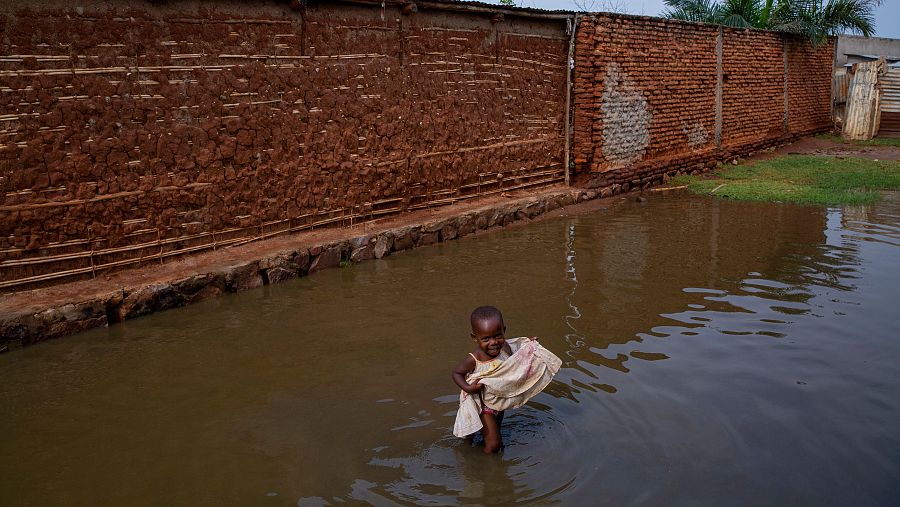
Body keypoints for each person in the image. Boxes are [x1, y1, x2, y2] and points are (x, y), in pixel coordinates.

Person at [451, 305, 514, 453]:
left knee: (496, 434)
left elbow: (517, 353)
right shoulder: (475, 359)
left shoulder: (504, 347)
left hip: (499, 402)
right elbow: (456, 373)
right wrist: (468, 388)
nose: (493, 342)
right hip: (483, 406)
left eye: (498, 335)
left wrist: (529, 346)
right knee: (494, 445)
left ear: (504, 330)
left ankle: (481, 446)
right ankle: (483, 469)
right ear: (475, 338)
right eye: (486, 338)